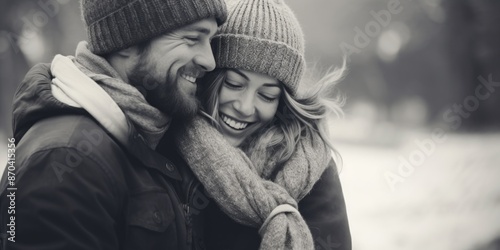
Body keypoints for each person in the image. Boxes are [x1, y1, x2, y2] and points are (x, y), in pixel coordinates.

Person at [0, 0, 227, 249]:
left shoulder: (154, 134)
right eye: (192, 39)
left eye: (211, 41)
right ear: (127, 42)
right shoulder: (64, 161)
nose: (210, 61)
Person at [169, 0, 352, 249]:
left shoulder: (311, 167)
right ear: (208, 78)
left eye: (267, 96)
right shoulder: (165, 145)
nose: (245, 107)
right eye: (234, 84)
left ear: (282, 104)